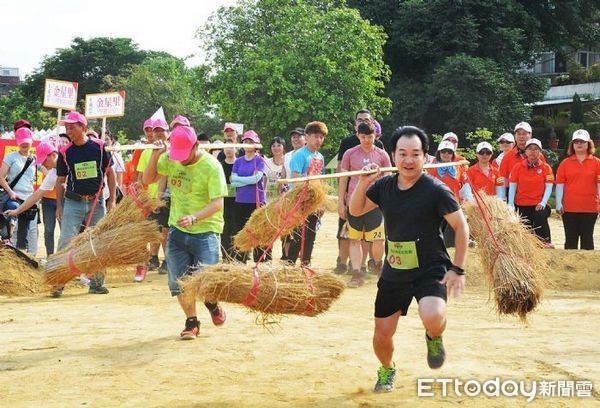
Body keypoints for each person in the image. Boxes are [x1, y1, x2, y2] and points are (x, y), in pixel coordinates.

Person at [349, 125, 468, 393]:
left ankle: (434, 337)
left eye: (415, 154)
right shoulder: (384, 186)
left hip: (431, 266)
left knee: (433, 316)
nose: (408, 160)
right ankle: (387, 369)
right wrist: (364, 182)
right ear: (393, 156)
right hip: (395, 271)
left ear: (426, 157)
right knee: (382, 334)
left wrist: (458, 268)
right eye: (402, 154)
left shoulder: (436, 191)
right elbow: (355, 210)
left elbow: (461, 227)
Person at [142, 125, 227, 340]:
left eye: (185, 154)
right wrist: (155, 154)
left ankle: (212, 303)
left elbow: (218, 203)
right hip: (177, 230)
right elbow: (148, 179)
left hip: (205, 231)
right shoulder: (172, 158)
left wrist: (195, 217)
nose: (180, 160)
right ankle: (192, 322)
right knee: (178, 281)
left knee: (205, 281)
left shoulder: (212, 167)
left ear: (196, 146)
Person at [54, 111, 116, 297]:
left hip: (97, 203)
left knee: (98, 242)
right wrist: (59, 205)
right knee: (66, 241)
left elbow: (110, 174)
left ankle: (97, 283)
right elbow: (60, 180)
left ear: (83, 127)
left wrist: (111, 199)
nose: (69, 131)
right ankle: (57, 283)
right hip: (73, 203)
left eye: (72, 127)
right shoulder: (65, 152)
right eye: (67, 128)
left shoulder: (99, 147)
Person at [338, 122, 391, 287]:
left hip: (375, 203)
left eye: (370, 136)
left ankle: (378, 264)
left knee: (378, 240)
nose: (366, 140)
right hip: (354, 203)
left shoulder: (382, 155)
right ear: (357, 135)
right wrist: (341, 202)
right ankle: (356, 273)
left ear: (375, 135)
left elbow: (389, 179)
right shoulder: (349, 154)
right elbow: (343, 179)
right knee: (354, 239)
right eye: (363, 137)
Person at [287, 121, 328, 266]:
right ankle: (290, 262)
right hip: (301, 201)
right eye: (316, 136)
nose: (319, 140)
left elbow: (321, 180)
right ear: (307, 136)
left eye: (322, 137)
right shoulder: (300, 155)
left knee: (311, 234)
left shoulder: (320, 157)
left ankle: (306, 263)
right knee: (298, 234)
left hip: (314, 202)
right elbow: (296, 178)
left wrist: (321, 202)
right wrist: (304, 196)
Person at [135, 119, 170, 280]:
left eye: (161, 130)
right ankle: (154, 257)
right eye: (155, 130)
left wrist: (160, 196)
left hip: (167, 197)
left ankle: (168, 259)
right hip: (151, 197)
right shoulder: (146, 151)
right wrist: (144, 198)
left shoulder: (172, 151)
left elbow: (165, 176)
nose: (157, 133)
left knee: (166, 230)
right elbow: (141, 177)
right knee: (154, 230)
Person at [555, 129, 600, 250]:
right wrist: (559, 202)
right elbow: (560, 184)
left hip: (590, 208)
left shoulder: (597, 163)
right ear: (572, 145)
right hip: (569, 208)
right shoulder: (565, 163)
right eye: (576, 142)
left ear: (588, 144)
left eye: (582, 141)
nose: (579, 144)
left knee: (587, 239)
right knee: (570, 240)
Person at [230, 130, 270, 263]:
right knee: (240, 232)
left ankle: (259, 262)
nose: (248, 144)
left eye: (250, 142)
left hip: (256, 202)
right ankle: (241, 262)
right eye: (246, 142)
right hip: (240, 201)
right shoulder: (238, 161)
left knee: (258, 232)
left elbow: (257, 179)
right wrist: (248, 179)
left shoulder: (260, 160)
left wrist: (240, 180)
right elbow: (233, 180)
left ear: (256, 144)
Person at [508, 138, 555, 248]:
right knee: (525, 227)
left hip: (539, 204)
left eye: (536, 149)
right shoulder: (518, 167)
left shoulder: (545, 168)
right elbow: (512, 186)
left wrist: (543, 202)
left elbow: (549, 186)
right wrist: (510, 204)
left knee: (540, 216)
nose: (533, 151)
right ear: (526, 151)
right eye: (530, 149)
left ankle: (545, 241)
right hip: (522, 204)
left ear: (540, 152)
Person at [0, 127, 38, 254]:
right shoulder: (11, 157)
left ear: (31, 141)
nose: (24, 144)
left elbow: (49, 171)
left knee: (24, 232)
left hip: (28, 198)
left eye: (27, 141)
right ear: (17, 142)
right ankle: (7, 238)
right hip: (13, 197)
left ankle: (21, 255)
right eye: (22, 141)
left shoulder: (35, 159)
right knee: (10, 213)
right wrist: (10, 192)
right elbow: (1, 177)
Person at [427, 140, 472, 247]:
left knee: (450, 235)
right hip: (436, 204)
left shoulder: (458, 167)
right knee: (436, 232)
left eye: (449, 152)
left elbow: (466, 183)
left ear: (453, 154)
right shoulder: (431, 167)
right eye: (443, 152)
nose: (446, 154)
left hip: (453, 203)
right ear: (439, 153)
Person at [5, 142, 59, 225]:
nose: (43, 163)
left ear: (53, 155)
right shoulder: (51, 175)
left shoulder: (69, 162)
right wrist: (16, 211)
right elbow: (36, 195)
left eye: (44, 160)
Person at [280, 127, 306, 262]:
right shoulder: (287, 156)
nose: (295, 139)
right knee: (287, 229)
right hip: (289, 197)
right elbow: (284, 175)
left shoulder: (308, 154)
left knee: (302, 230)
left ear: (305, 138)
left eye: (298, 136)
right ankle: (287, 256)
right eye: (293, 137)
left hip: (305, 197)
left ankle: (303, 256)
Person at [219, 139, 237, 261]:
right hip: (223, 200)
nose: (229, 150)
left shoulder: (239, 163)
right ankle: (225, 254)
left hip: (238, 200)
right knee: (225, 228)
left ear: (236, 149)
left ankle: (237, 254)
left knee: (236, 226)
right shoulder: (219, 164)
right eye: (226, 147)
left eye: (231, 147)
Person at [264, 136, 286, 200]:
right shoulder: (267, 162)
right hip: (270, 198)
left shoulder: (288, 161)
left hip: (285, 198)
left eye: (279, 145)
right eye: (273, 146)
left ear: (283, 147)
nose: (276, 148)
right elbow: (265, 179)